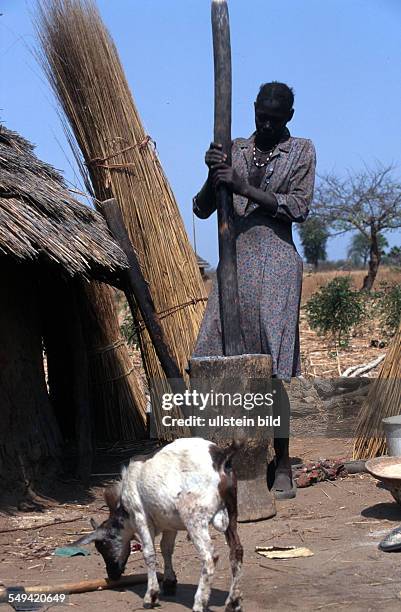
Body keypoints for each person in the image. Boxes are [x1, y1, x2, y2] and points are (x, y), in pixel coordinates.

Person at [192, 81, 316, 499]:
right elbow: (202, 206)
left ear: (289, 118)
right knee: (214, 350)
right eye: (260, 114)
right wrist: (215, 174)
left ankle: (281, 463)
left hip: (277, 263)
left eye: (274, 118)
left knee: (274, 361)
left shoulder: (302, 150)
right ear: (253, 108)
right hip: (236, 261)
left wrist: (243, 186)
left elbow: (298, 207)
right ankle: (219, 459)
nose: (265, 123)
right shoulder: (236, 148)